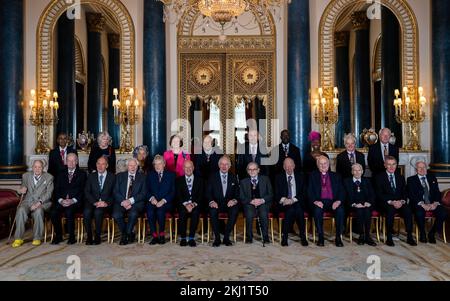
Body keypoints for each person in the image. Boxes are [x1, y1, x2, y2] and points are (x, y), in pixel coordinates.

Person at [375, 156, 416, 246]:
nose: (391, 167)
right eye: (389, 164)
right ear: (385, 165)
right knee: (390, 210)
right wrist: (391, 202)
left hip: (399, 202)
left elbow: (404, 192)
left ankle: (409, 236)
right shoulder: (379, 177)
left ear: (396, 165)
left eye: (393, 164)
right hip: (386, 203)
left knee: (408, 209)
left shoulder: (400, 177)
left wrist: (401, 201)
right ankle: (389, 237)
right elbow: (379, 194)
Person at [12, 160, 53, 248]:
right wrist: (21, 190)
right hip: (28, 201)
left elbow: (49, 193)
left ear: (43, 168)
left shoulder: (49, 177)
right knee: (21, 210)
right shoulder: (26, 176)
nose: (37, 169)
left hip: (42, 202)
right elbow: (22, 189)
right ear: (32, 167)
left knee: (38, 211)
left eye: (39, 167)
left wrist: (39, 203)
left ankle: (37, 238)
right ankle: (18, 238)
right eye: (35, 167)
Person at [307, 156, 345, 247]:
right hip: (319, 202)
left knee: (340, 211)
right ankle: (320, 236)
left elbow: (342, 191)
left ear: (329, 164)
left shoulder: (336, 176)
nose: (323, 165)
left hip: (333, 202)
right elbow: (309, 191)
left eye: (325, 163)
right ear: (317, 165)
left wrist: (338, 201)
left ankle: (338, 237)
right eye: (321, 163)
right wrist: (315, 201)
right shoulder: (312, 175)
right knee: (317, 211)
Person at [407, 160, 448, 244]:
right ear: (416, 169)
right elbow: (411, 195)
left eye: (424, 167)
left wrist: (435, 203)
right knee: (419, 213)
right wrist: (422, 204)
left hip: (432, 203)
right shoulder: (411, 179)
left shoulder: (432, 177)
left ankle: (432, 233)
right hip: (418, 203)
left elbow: (437, 192)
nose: (422, 169)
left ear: (426, 168)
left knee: (443, 213)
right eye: (419, 167)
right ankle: (422, 233)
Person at [51, 153, 86, 245]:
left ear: (77, 162)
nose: (71, 163)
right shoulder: (60, 173)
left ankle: (71, 237)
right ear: (66, 162)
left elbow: (83, 191)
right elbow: (56, 190)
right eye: (69, 161)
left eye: (73, 160)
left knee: (69, 211)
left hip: (76, 202)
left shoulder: (82, 174)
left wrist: (72, 200)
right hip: (62, 201)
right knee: (54, 212)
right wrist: (61, 200)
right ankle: (59, 236)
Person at [206, 155, 240, 247]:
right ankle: (217, 238)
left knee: (235, 210)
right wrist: (211, 201)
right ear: (219, 165)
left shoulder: (233, 177)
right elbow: (208, 192)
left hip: (229, 204)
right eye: (222, 164)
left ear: (229, 166)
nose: (224, 166)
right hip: (216, 203)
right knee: (212, 211)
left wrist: (234, 200)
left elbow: (237, 193)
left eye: (226, 164)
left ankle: (226, 237)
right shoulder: (212, 177)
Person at [112, 158, 147, 245]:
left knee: (133, 214)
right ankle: (128, 233)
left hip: (136, 202)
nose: (133, 167)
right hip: (121, 202)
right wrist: (124, 201)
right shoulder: (119, 176)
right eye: (130, 165)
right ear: (127, 166)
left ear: (137, 166)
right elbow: (115, 191)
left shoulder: (142, 177)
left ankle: (124, 236)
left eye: (135, 165)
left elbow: (143, 193)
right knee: (116, 214)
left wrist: (130, 201)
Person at [275, 158, 308, 247]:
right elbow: (276, 193)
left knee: (298, 209)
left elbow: (303, 193)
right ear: (284, 167)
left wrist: (293, 200)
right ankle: (286, 237)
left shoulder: (300, 176)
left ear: (294, 166)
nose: (289, 168)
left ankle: (301, 235)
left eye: (290, 166)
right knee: (290, 210)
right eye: (286, 166)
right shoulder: (278, 177)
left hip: (296, 201)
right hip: (284, 203)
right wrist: (284, 200)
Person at [83, 157, 115, 245]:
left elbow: (114, 193)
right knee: (86, 212)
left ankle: (97, 236)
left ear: (107, 165)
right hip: (92, 202)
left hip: (106, 203)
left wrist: (106, 203)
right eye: (98, 164)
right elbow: (87, 191)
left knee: (98, 212)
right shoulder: (91, 176)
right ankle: (89, 236)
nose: (100, 166)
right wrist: (95, 202)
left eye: (103, 164)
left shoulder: (112, 177)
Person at [343, 163, 377, 246]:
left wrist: (368, 202)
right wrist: (354, 204)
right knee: (359, 211)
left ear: (362, 172)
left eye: (359, 170)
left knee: (367, 211)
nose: (357, 172)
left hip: (366, 204)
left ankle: (368, 236)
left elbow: (372, 194)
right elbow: (344, 196)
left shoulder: (367, 181)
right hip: (353, 205)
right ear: (352, 172)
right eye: (355, 170)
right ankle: (361, 235)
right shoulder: (346, 181)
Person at [240, 162, 273, 244]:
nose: (252, 171)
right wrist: (251, 201)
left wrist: (261, 200)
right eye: (250, 169)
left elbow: (271, 194)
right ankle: (249, 237)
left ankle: (265, 236)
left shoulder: (265, 179)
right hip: (250, 203)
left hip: (263, 203)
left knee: (263, 213)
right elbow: (241, 197)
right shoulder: (243, 182)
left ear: (258, 170)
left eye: (254, 169)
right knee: (249, 213)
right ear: (247, 171)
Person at [146, 155, 176, 245]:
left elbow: (173, 192)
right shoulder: (150, 175)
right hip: (153, 201)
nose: (157, 166)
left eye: (160, 164)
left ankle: (162, 234)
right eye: (155, 164)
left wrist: (163, 201)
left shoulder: (171, 175)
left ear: (164, 164)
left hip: (166, 202)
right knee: (150, 211)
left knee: (160, 211)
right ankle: (154, 236)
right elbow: (146, 190)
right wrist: (152, 198)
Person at [175, 160, 204, 247]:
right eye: (186, 167)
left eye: (190, 167)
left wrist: (193, 204)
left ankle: (191, 237)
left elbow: (201, 195)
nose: (188, 169)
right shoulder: (178, 180)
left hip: (195, 204)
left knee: (195, 213)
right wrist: (186, 204)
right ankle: (183, 237)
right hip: (183, 204)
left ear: (193, 168)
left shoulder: (200, 180)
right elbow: (178, 195)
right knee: (182, 213)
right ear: (183, 168)